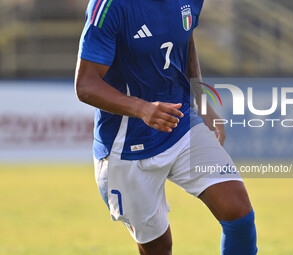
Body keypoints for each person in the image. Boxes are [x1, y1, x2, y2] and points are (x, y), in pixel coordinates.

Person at [75, 0, 258, 254]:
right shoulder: (110, 6)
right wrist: (142, 109)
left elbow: (186, 36)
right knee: (159, 248)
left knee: (239, 214)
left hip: (181, 125)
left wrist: (202, 103)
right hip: (126, 147)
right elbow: (85, 85)